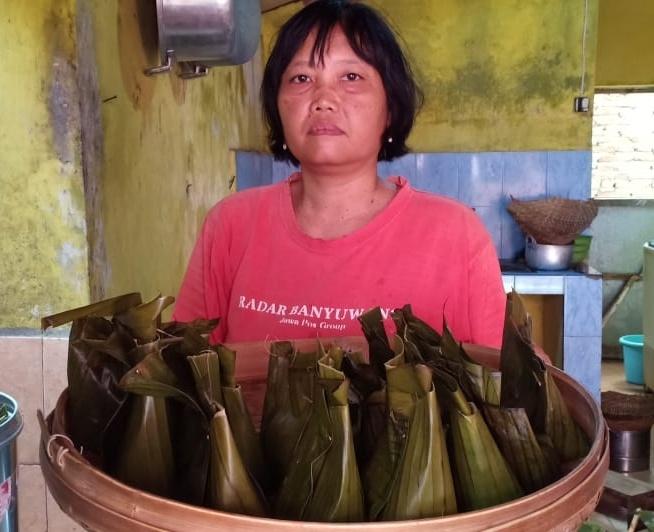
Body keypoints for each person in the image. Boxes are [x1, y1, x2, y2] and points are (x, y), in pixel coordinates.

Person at [173, 0, 506, 348]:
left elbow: (499, 384)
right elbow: (183, 373)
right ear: (278, 105)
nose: (323, 99)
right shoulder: (230, 226)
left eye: (351, 77)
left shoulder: (455, 236)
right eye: (301, 78)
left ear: (390, 108)